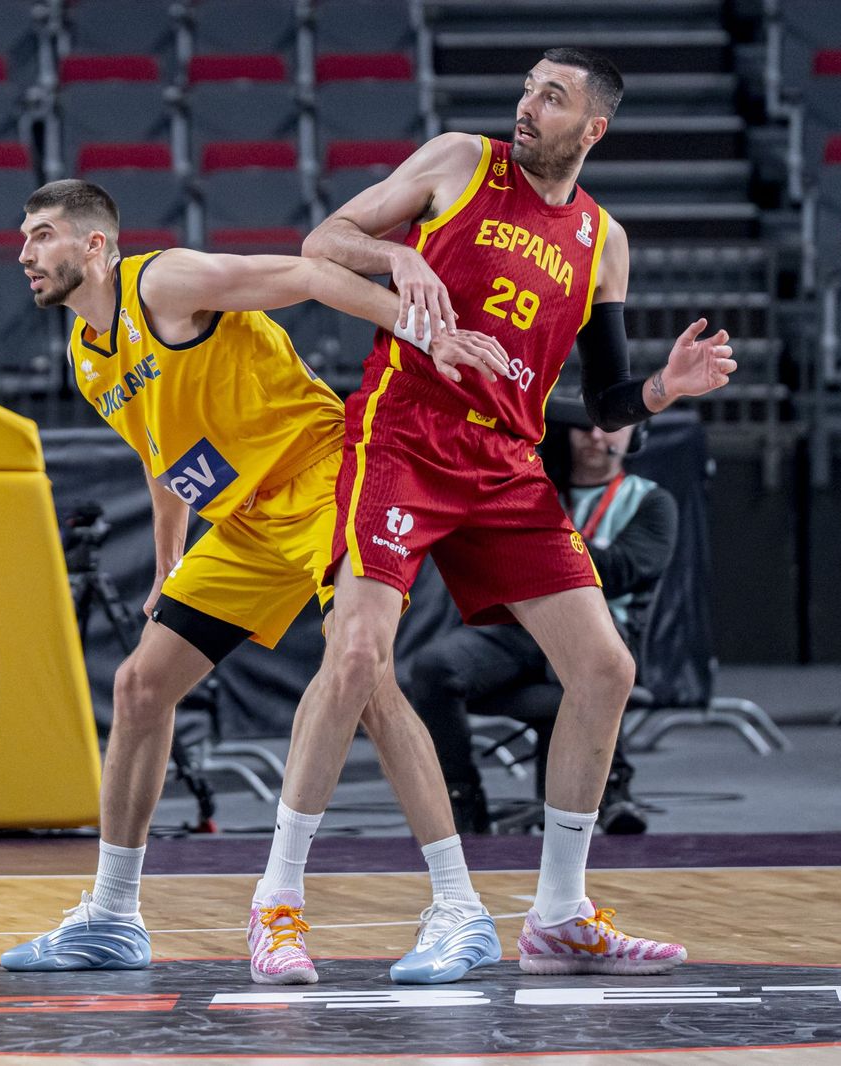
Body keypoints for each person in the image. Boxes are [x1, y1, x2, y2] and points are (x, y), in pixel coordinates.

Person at [257, 46, 737, 980]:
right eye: (525, 89)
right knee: (357, 655)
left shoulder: (604, 241)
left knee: (605, 668)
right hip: (401, 438)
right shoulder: (457, 162)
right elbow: (323, 244)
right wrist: (399, 256)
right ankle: (277, 903)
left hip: (506, 467)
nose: (528, 107)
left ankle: (559, 915)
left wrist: (662, 391)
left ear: (592, 128)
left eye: (550, 98)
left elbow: (602, 405)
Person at [0, 180, 512, 985]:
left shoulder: (162, 284)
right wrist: (169, 556)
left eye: (41, 236)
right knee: (139, 687)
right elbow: (161, 450)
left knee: (366, 678)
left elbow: (307, 275)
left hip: (323, 484)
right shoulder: (85, 357)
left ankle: (459, 907)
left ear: (95, 247)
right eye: (24, 239)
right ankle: (111, 916)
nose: (24, 254)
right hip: (244, 525)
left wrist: (422, 330)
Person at [409, 400, 678, 836]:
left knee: (585, 669)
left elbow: (624, 569)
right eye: (583, 428)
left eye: (609, 428)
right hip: (520, 627)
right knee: (434, 668)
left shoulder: (651, 502)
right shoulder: (532, 489)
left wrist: (537, 545)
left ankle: (612, 790)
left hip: (600, 630)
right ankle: (461, 800)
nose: (595, 436)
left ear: (634, 437)